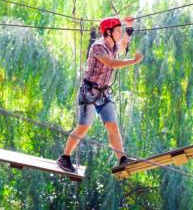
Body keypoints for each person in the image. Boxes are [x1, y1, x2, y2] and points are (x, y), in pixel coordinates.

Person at [57, 16, 144, 172]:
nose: (120, 33)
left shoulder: (113, 46)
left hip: (103, 93)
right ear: (108, 32)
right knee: (83, 127)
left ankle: (122, 159)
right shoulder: (98, 47)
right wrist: (133, 61)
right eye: (118, 31)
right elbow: (111, 63)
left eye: (120, 31)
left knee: (113, 126)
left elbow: (123, 45)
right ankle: (65, 158)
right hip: (88, 93)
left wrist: (129, 28)